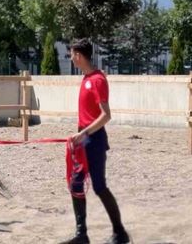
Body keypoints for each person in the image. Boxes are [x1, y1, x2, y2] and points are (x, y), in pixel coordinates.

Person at [61, 38, 130, 244]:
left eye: (72, 54)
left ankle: (120, 233)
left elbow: (106, 115)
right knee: (76, 183)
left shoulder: (98, 80)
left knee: (99, 187)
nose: (71, 58)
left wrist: (85, 133)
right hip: (84, 139)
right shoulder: (86, 78)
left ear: (79, 55)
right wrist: (80, 135)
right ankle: (81, 234)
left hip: (95, 139)